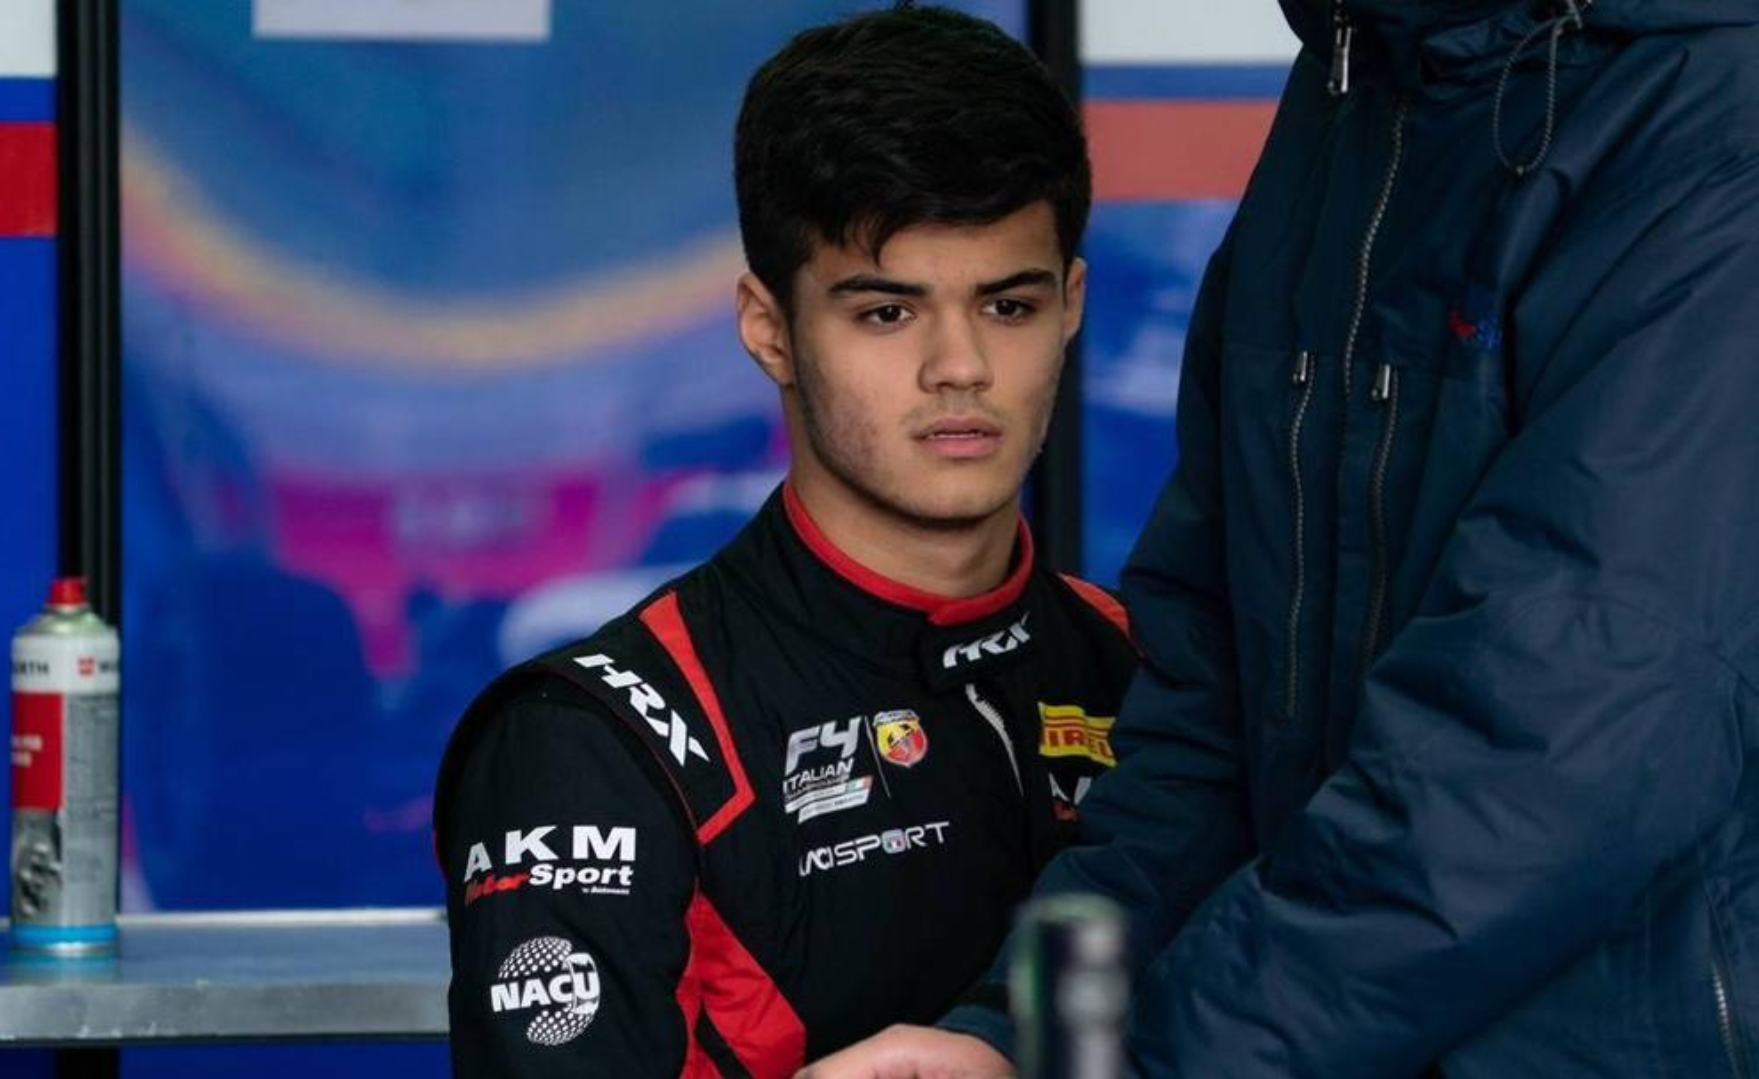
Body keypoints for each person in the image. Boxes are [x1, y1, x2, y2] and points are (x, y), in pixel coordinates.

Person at [803, 0, 1759, 1075]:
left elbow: (1550, 756)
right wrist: (1027, 1036)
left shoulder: (1712, 124)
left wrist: (1148, 1064)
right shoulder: (1352, 92)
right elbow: (1203, 714)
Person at [432, 6, 1139, 1076]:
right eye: (887, 313)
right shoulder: (600, 739)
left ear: (1072, 304)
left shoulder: (1151, 671)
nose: (961, 366)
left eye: (1007, 303)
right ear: (771, 328)